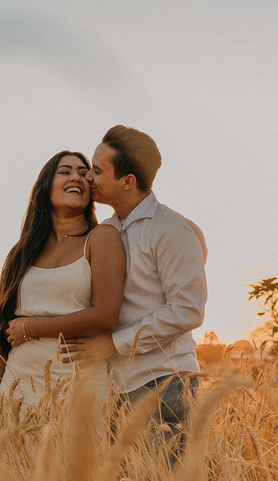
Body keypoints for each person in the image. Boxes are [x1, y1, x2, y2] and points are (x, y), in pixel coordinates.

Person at [59, 126, 208, 456]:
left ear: (127, 180)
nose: (88, 177)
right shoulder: (106, 232)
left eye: (98, 170)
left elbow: (187, 310)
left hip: (163, 385)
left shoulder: (172, 230)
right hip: (114, 388)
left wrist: (112, 344)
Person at [0, 151, 126, 406]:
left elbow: (105, 314)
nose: (77, 177)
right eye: (65, 171)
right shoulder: (21, 252)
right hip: (17, 391)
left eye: (84, 174)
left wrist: (30, 328)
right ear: (46, 186)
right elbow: (1, 330)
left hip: (78, 389)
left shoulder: (102, 237)